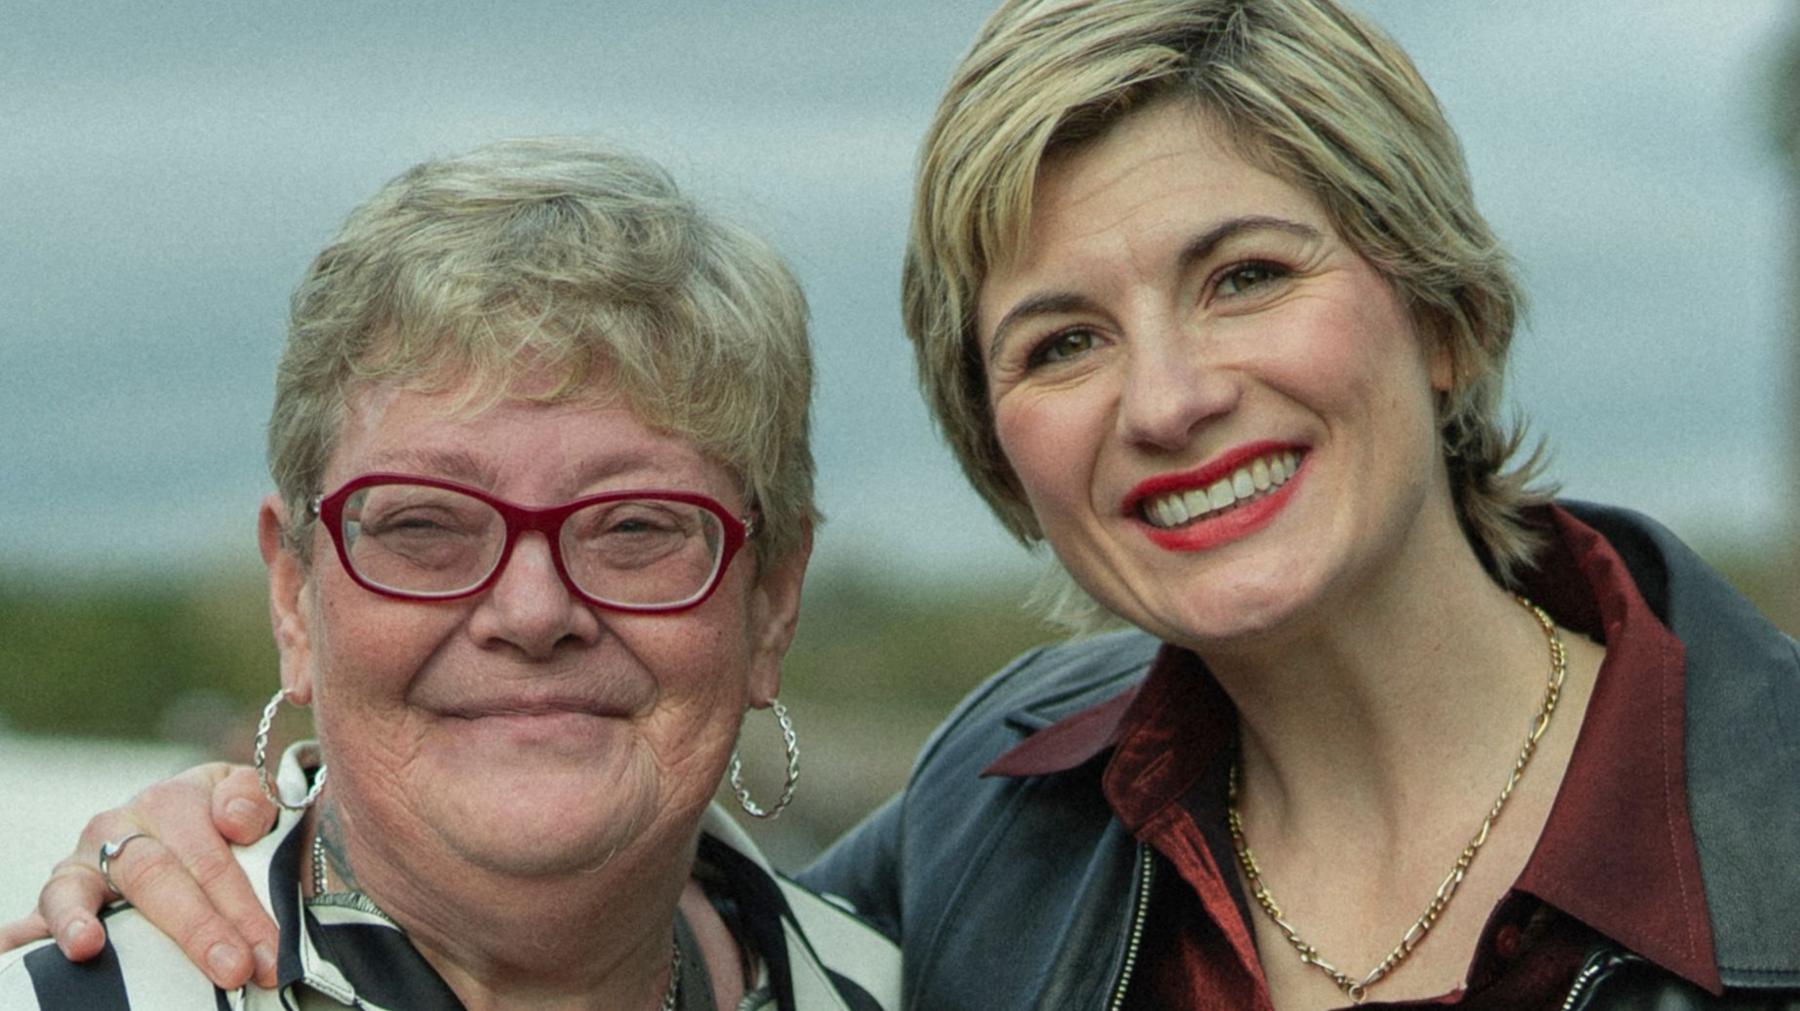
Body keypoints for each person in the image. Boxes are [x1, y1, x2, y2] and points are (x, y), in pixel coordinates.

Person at [10, 0, 1800, 1008]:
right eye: (1061, 337)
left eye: (1247, 273)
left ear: (1441, 307)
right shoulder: (993, 845)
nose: (1169, 396)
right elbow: (560, 861)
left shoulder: (1761, 836)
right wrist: (207, 860)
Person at [0, 137, 900, 1009]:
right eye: (425, 524)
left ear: (773, 601)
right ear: (294, 599)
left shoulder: (929, 984)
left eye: (634, 526)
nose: (534, 609)